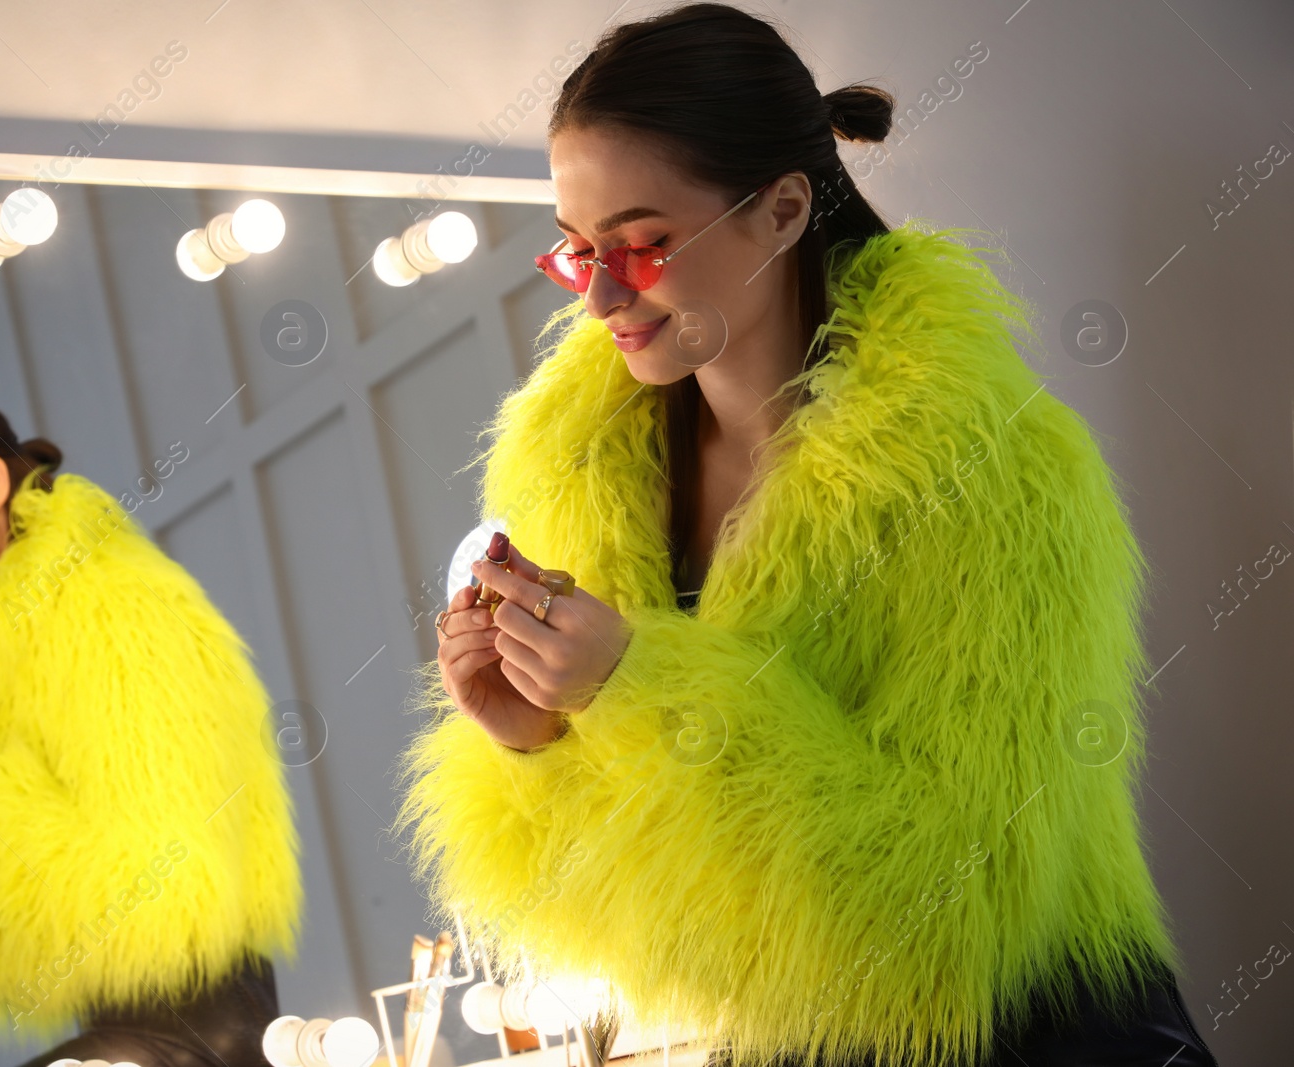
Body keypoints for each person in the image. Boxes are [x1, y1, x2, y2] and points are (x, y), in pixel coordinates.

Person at [399, 5, 1217, 1065]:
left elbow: (947, 916)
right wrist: (531, 737)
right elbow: (644, 910)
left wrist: (639, 684)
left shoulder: (992, 474)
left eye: (643, 245)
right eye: (574, 252)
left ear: (783, 208)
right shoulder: (579, 478)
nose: (600, 293)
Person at [0, 388, 301, 1067]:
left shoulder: (104, 608)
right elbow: (4, 944)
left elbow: (164, 892)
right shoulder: (0, 653)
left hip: (197, 1035)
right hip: (133, 1030)